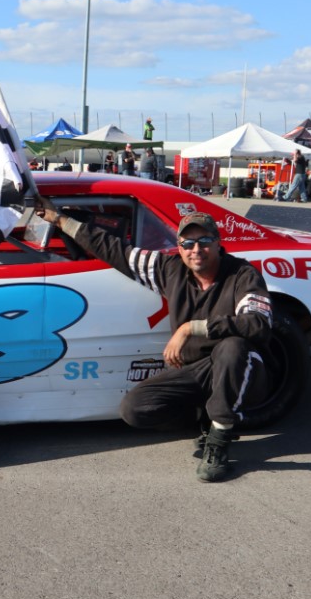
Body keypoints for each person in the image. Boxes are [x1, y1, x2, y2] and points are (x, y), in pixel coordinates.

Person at [34, 202, 273, 482]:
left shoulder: (242, 274)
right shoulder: (170, 269)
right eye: (188, 243)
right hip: (195, 371)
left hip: (241, 370)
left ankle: (219, 442)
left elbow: (258, 323)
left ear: (218, 243)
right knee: (134, 409)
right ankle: (205, 418)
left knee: (233, 346)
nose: (196, 249)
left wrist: (191, 328)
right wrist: (60, 220)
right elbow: (115, 249)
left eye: (205, 241)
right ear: (179, 247)